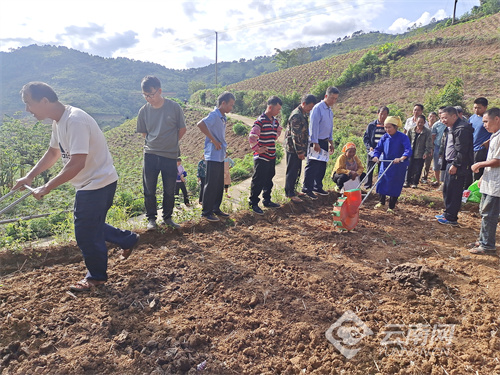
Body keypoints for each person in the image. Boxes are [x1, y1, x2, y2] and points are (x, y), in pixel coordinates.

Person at [14, 82, 139, 292]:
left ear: (44, 101)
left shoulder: (75, 121)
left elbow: (77, 162)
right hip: (90, 183)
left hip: (97, 183)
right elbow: (53, 153)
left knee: (85, 232)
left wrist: (47, 187)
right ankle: (128, 239)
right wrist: (29, 177)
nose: (27, 109)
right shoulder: (59, 122)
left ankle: (96, 277)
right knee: (90, 225)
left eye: (29, 103)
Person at [137, 76, 186, 231]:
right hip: (150, 154)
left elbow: (182, 129)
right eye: (145, 95)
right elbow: (144, 133)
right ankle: (151, 219)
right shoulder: (143, 111)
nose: (148, 98)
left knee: (169, 189)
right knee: (149, 189)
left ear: (159, 91)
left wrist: (169, 143)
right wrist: (157, 143)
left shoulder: (174, 107)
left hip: (169, 155)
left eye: (151, 95)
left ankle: (168, 217)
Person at [197, 92, 235, 222]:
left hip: (220, 154)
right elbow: (200, 124)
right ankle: (206, 212)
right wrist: (213, 140)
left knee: (219, 183)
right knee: (211, 183)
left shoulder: (222, 117)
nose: (231, 108)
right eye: (230, 105)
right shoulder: (214, 115)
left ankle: (215, 208)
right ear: (223, 103)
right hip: (213, 154)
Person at [435, 106, 474, 226]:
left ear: (454, 116)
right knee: (447, 189)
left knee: (454, 190)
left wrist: (456, 164)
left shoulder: (462, 129)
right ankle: (447, 213)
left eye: (445, 118)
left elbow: (462, 150)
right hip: (449, 163)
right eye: (441, 118)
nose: (443, 121)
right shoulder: (451, 128)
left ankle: (452, 218)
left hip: (457, 165)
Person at [469, 108, 500, 254]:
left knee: (490, 214)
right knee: (484, 211)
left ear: (497, 119)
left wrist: (480, 164)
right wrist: (482, 176)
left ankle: (488, 245)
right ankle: (482, 240)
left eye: (486, 122)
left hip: (496, 184)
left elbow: (498, 160)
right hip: (490, 180)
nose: (485, 125)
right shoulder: (495, 135)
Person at [302, 86, 340, 199]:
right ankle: (307, 188)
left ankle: (317, 186)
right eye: (332, 98)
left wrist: (331, 141)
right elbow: (313, 126)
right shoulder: (318, 108)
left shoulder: (329, 110)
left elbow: (329, 127)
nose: (333, 101)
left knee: (322, 165)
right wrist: (315, 142)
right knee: (312, 165)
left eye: (335, 99)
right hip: (316, 141)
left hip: (324, 141)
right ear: (326, 96)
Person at [248, 96, 283, 214]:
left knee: (269, 179)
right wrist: (258, 149)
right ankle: (253, 203)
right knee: (258, 180)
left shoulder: (275, 121)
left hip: (271, 155)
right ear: (270, 107)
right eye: (277, 109)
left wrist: (274, 137)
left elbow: (278, 131)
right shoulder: (260, 121)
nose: (278, 112)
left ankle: (266, 200)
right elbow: (252, 137)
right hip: (262, 157)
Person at [371, 116, 412, 213]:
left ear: (395, 127)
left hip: (397, 166)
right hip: (385, 164)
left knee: (395, 185)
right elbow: (378, 149)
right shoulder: (384, 137)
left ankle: (391, 206)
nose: (387, 129)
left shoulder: (403, 137)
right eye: (385, 127)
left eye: (389, 127)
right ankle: (381, 202)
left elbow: (408, 150)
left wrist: (401, 158)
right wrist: (376, 156)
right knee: (381, 182)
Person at [284, 94, 316, 203]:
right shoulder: (296, 116)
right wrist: (300, 151)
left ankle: (294, 189)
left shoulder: (303, 113)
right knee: (292, 170)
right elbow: (295, 136)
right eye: (310, 107)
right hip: (293, 149)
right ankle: (289, 193)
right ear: (303, 104)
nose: (310, 109)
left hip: (299, 149)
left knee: (297, 170)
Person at [465, 97, 490, 189]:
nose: (476, 110)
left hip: (481, 149)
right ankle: (468, 191)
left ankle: (477, 191)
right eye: (475, 107)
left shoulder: (488, 119)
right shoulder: (472, 117)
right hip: (471, 148)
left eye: (479, 108)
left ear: (485, 107)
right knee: (469, 170)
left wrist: (488, 142)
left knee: (477, 172)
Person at [363, 106, 389, 189]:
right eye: (381, 114)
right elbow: (366, 138)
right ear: (378, 114)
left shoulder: (388, 126)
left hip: (384, 152)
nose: (382, 116)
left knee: (382, 169)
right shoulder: (371, 125)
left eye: (385, 114)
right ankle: (368, 185)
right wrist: (369, 147)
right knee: (370, 168)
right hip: (373, 150)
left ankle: (380, 185)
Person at [405, 115, 432, 188]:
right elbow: (407, 141)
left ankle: (415, 182)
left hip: (420, 153)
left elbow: (429, 143)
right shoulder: (411, 130)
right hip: (411, 152)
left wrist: (426, 152)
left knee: (418, 168)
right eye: (418, 122)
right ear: (416, 122)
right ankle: (407, 181)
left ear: (424, 122)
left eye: (422, 122)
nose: (420, 124)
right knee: (409, 167)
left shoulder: (427, 132)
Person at [431, 107, 447, 187]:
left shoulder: (449, 123)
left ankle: (443, 182)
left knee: (444, 164)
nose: (441, 114)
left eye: (442, 113)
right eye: (439, 113)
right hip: (437, 146)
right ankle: (437, 181)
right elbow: (433, 136)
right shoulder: (436, 124)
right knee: (436, 164)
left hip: (446, 147)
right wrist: (432, 147)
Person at [421, 111, 438, 184]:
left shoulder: (437, 126)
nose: (432, 118)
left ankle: (426, 177)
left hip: (433, 146)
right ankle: (420, 177)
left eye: (434, 117)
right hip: (423, 146)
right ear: (428, 118)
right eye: (430, 116)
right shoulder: (424, 126)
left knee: (428, 163)